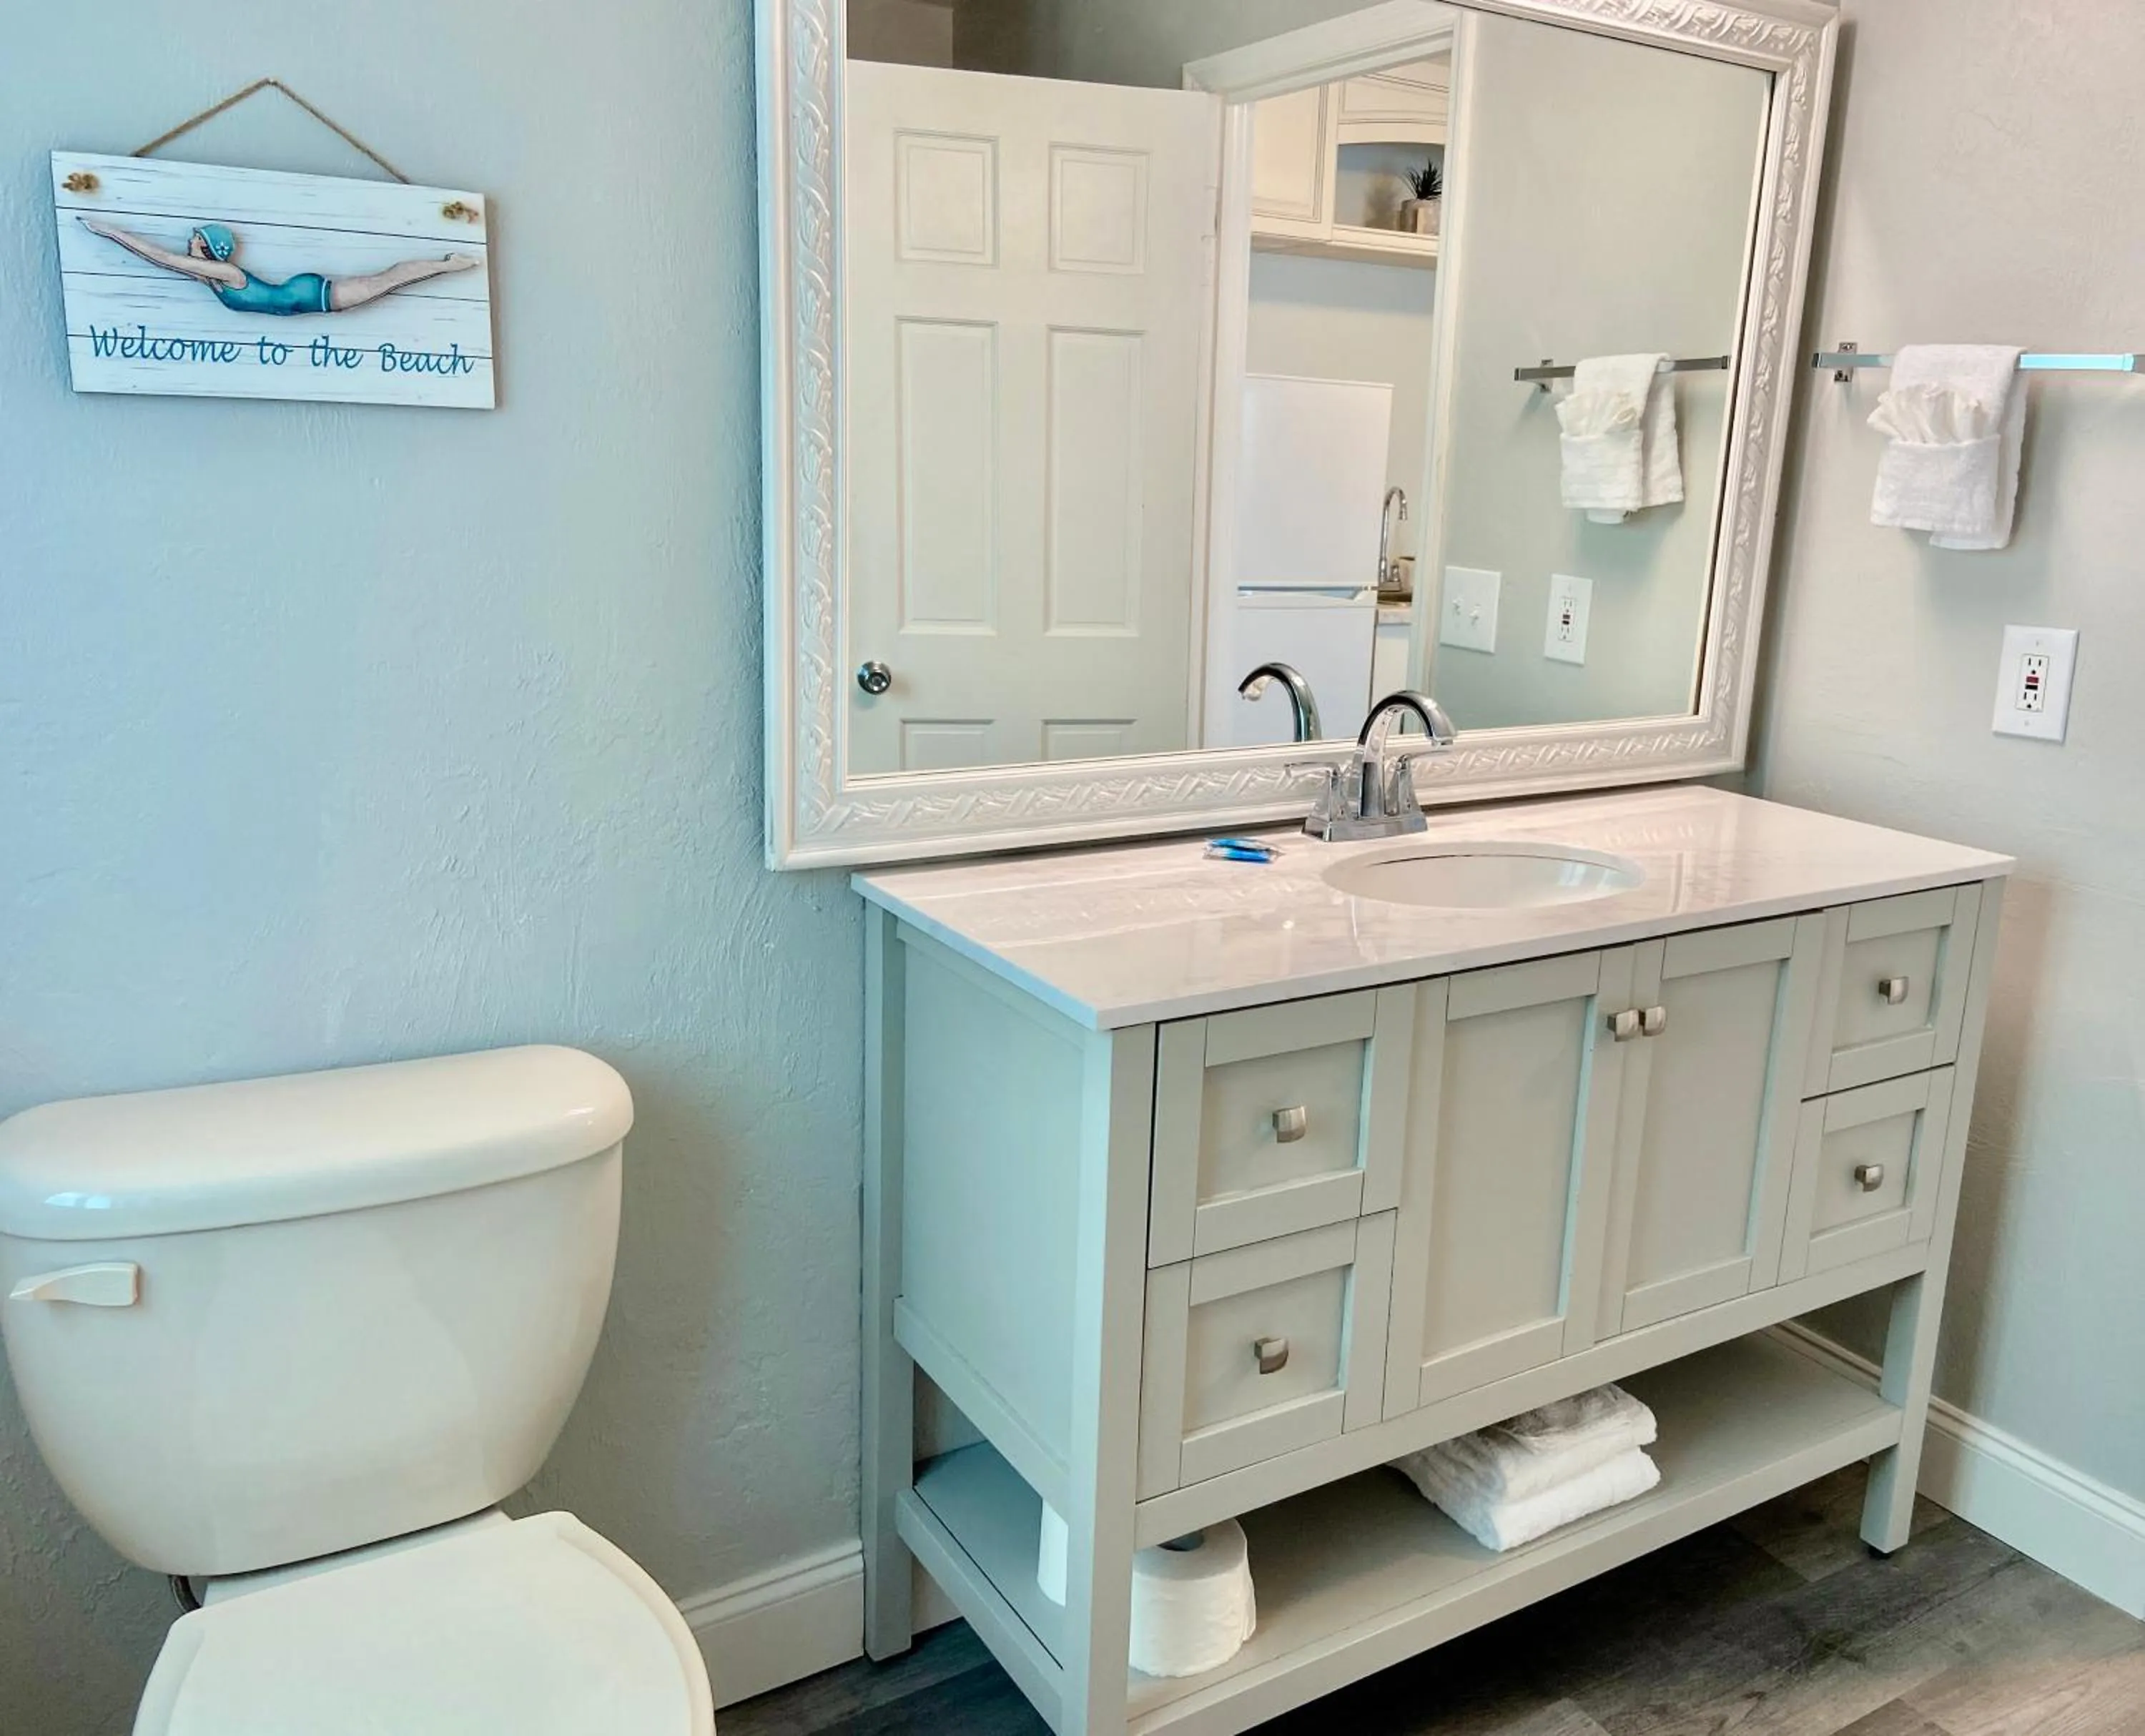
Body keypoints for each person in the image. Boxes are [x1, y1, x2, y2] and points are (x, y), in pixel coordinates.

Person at [81, 218, 478, 316]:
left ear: (209, 249)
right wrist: (113, 238)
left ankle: (449, 265)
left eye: (195, 239)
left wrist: (113, 232)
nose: (188, 243)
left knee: (386, 280)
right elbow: (165, 263)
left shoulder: (228, 275)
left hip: (308, 296)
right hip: (297, 299)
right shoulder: (208, 278)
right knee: (385, 281)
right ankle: (446, 265)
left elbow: (165, 258)